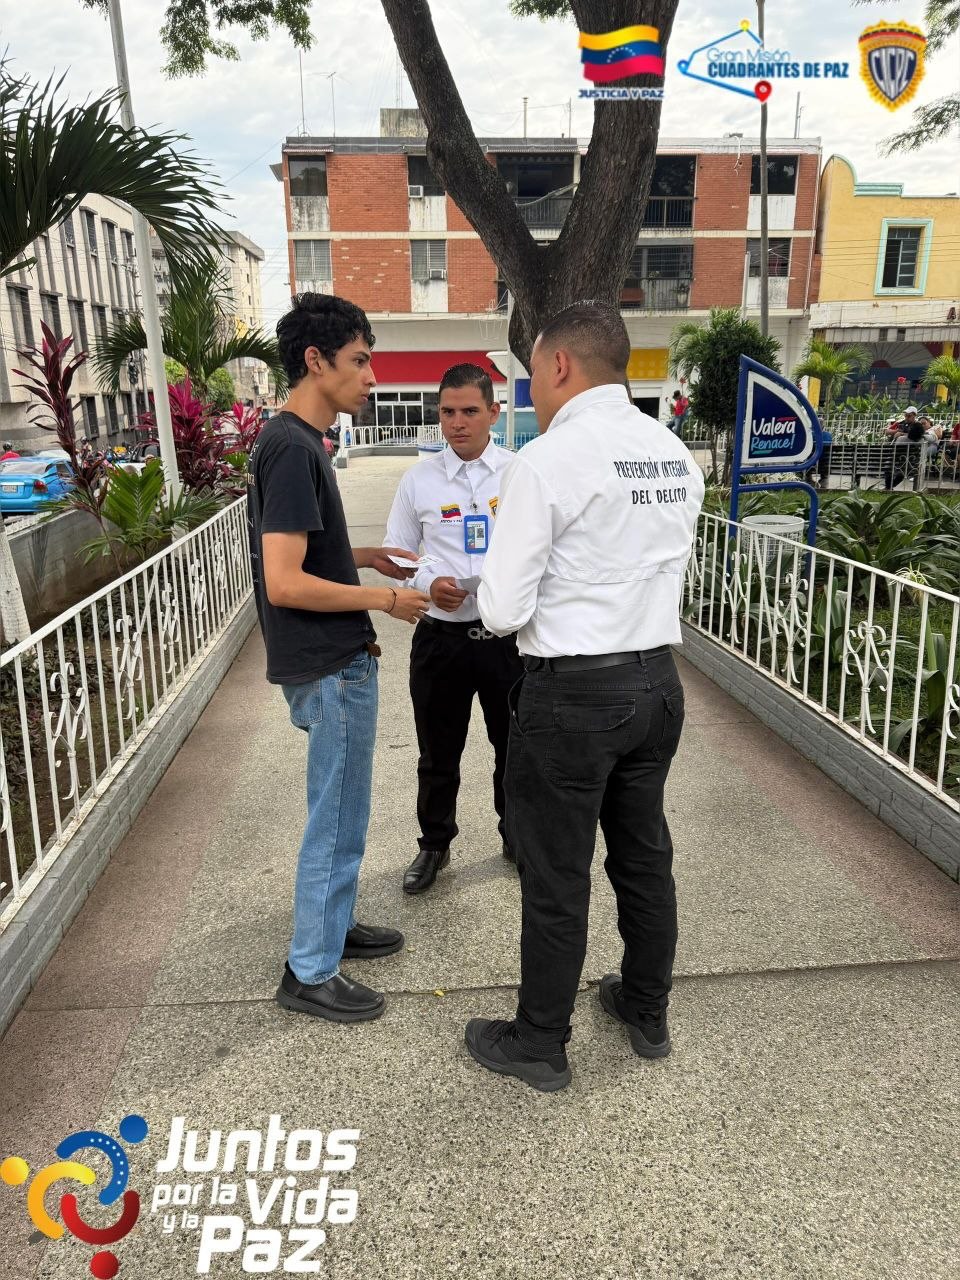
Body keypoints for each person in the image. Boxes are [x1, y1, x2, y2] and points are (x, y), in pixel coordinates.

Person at [464, 301, 704, 1093]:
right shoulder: (672, 453)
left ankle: (540, 1042)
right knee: (643, 855)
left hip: (574, 696)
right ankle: (647, 1009)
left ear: (561, 364)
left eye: (532, 370)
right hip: (656, 684)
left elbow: (503, 610)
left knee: (557, 873)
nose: (530, 386)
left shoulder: (546, 461)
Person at [247, 292, 431, 1024]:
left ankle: (334, 924)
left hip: (325, 661)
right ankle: (311, 970)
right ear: (316, 361)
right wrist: (385, 600)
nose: (372, 377)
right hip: (330, 666)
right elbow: (284, 581)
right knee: (337, 817)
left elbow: (302, 552)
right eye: (360, 360)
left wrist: (363, 556)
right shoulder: (295, 448)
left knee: (344, 811)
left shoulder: (293, 440)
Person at [383, 363, 524, 895]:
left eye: (469, 411)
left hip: (506, 642)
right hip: (441, 641)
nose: (457, 422)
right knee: (438, 752)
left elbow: (540, 549)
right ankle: (434, 844)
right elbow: (398, 553)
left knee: (515, 748)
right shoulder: (419, 480)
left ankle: (516, 835)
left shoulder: (517, 474)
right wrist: (428, 579)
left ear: (493, 412)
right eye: (447, 412)